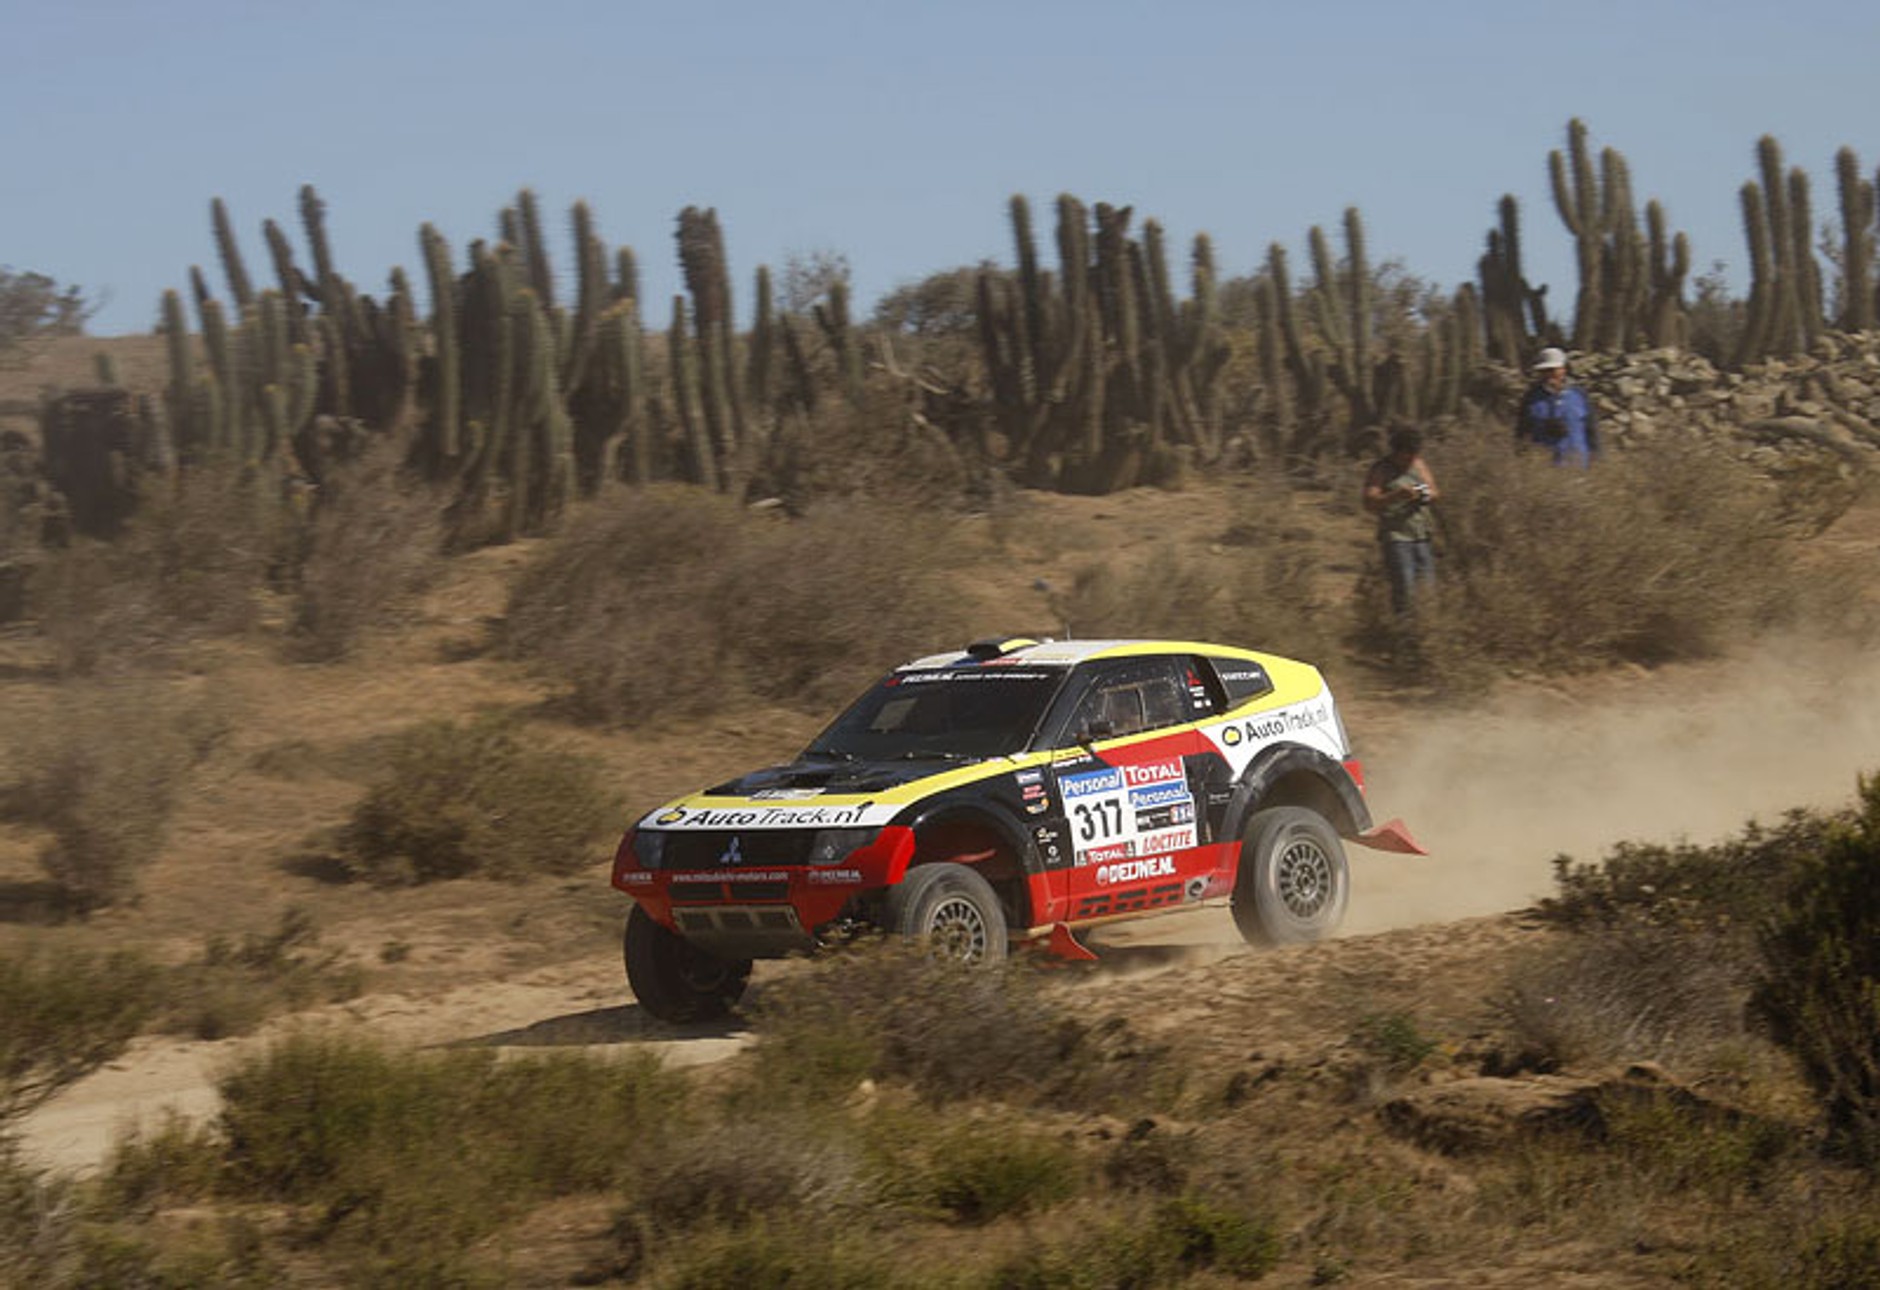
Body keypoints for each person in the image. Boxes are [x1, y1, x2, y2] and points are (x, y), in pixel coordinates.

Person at [1362, 424, 1439, 616]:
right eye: (1406, 455)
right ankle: (1404, 633)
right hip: (1396, 537)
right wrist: (1395, 496)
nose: (1409, 460)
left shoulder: (1419, 465)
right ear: (1396, 451)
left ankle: (1426, 629)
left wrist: (1423, 494)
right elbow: (1369, 502)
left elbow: (1435, 492)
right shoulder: (1382, 469)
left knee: (1427, 588)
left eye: (1413, 455)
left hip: (1421, 535)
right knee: (1405, 589)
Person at [1515, 346, 1599, 466]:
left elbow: (1591, 429)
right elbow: (1522, 431)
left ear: (1563, 369)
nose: (1549, 374)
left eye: (1553, 369)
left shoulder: (1579, 395)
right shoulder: (1531, 397)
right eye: (1545, 371)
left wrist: (1597, 457)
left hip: (1577, 464)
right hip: (1542, 467)